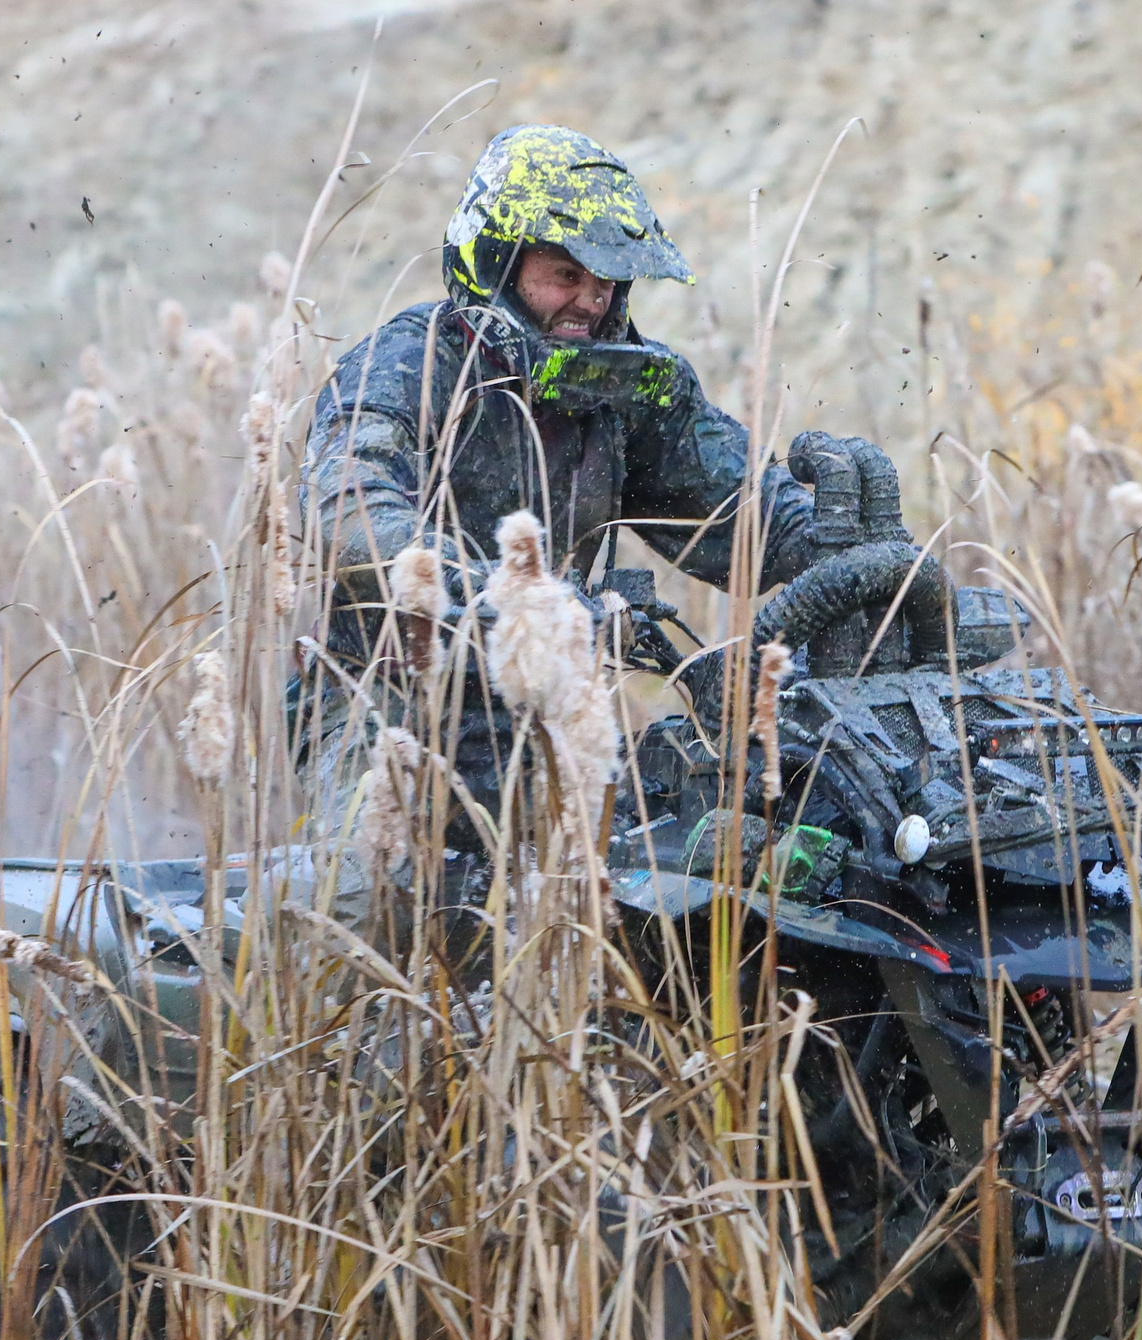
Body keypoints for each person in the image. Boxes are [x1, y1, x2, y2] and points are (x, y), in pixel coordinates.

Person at [298, 123, 909, 850]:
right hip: (382, 709)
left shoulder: (630, 388)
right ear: (495, 261)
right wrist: (522, 601)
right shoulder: (403, 367)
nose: (590, 301)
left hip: (543, 715)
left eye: (607, 281)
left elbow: (741, 513)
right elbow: (349, 513)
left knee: (655, 876)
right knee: (373, 892)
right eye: (565, 275)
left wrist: (836, 533)